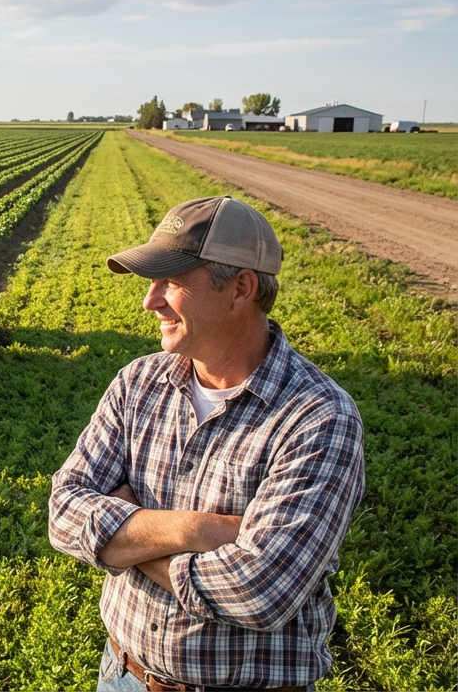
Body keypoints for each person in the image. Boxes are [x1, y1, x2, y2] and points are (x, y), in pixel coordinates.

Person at [48, 196, 365, 691]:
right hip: (124, 675)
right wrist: (201, 530)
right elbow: (64, 513)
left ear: (241, 288)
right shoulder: (138, 383)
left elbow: (259, 591)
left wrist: (127, 540)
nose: (149, 301)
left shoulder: (318, 417)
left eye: (171, 282)